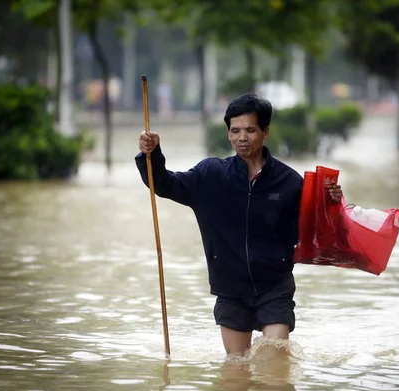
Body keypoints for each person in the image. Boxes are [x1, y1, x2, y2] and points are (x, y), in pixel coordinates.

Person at [136, 93, 342, 355]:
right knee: (236, 373)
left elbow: (314, 230)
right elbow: (164, 183)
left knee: (274, 367)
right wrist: (151, 155)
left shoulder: (289, 182)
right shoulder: (210, 175)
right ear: (228, 133)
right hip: (230, 290)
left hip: (275, 287)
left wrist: (331, 202)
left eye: (250, 130)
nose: (242, 138)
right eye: (235, 131)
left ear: (265, 131)